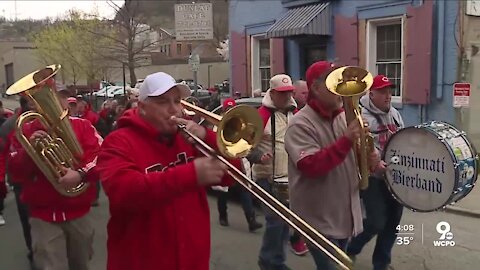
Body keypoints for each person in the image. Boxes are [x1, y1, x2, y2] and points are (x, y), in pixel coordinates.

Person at [96, 72, 240, 270]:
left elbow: (232, 175)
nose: (174, 109)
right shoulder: (118, 142)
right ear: (143, 107)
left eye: (177, 101)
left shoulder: (187, 137)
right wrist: (190, 174)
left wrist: (207, 136)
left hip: (192, 259)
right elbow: (124, 192)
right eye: (163, 102)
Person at [284, 61, 383, 270]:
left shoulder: (342, 118)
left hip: (343, 214)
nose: (341, 89)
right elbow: (310, 165)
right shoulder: (300, 123)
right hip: (318, 219)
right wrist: (347, 140)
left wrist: (369, 157)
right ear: (316, 88)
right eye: (333, 83)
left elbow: (352, 159)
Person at [8, 80, 102, 270]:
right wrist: (29, 152)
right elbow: (15, 173)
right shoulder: (24, 131)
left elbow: (103, 158)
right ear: (33, 103)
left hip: (79, 211)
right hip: (43, 216)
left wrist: (80, 174)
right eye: (52, 96)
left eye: (62, 96)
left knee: (81, 264)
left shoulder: (83, 126)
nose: (58, 102)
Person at [346, 75, 405, 270]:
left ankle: (381, 263)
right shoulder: (361, 117)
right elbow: (357, 150)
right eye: (382, 92)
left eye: (389, 91)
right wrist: (374, 163)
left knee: (393, 222)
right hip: (372, 178)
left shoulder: (395, 114)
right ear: (371, 94)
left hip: (394, 177)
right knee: (376, 221)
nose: (388, 95)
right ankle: (351, 249)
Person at [252, 74, 305, 270]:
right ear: (272, 93)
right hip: (267, 178)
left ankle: (276, 260)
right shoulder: (261, 115)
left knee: (284, 223)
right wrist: (258, 156)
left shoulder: (295, 113)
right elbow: (245, 145)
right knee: (275, 222)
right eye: (282, 94)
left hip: (289, 178)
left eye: (289, 93)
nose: (286, 97)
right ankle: (269, 261)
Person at [213, 98, 263, 232]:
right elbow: (215, 142)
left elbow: (247, 141)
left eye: (231, 109)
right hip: (224, 161)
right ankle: (223, 216)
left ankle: (251, 221)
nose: (229, 111)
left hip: (239, 161)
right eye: (227, 109)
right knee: (223, 192)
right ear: (224, 110)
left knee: (245, 191)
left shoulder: (241, 123)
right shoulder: (217, 123)